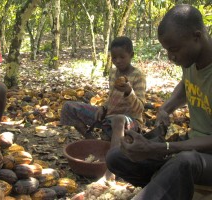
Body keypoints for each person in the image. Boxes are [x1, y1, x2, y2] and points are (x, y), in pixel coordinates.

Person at [106, 4, 212, 200]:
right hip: (193, 146)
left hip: (204, 157)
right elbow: (186, 85)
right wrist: (166, 108)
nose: (171, 57)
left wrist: (162, 148)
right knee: (117, 157)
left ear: (197, 36)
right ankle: (167, 185)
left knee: (183, 162)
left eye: (174, 50)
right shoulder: (192, 60)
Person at [60, 36, 146, 180]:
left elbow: (139, 109)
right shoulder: (113, 73)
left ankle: (111, 167)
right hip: (109, 116)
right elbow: (112, 98)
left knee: (119, 119)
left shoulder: (138, 76)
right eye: (114, 58)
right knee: (69, 107)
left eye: (122, 57)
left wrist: (129, 92)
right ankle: (95, 144)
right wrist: (103, 107)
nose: (118, 61)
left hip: (130, 122)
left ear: (131, 55)